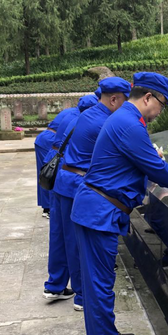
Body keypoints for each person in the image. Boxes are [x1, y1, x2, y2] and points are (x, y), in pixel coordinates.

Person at [71, 72, 168, 335]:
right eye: (162, 104)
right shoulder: (129, 124)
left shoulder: (125, 118)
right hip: (99, 212)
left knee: (100, 279)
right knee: (99, 282)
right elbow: (157, 170)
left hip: (99, 209)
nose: (161, 111)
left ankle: (105, 333)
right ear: (148, 97)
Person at [48, 77, 131, 311]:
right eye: (125, 101)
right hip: (76, 185)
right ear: (114, 99)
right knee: (78, 244)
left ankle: (59, 286)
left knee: (62, 238)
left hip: (64, 181)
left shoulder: (88, 115)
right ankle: (83, 296)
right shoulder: (105, 122)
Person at [42, 93, 99, 301]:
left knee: (58, 234)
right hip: (72, 182)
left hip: (60, 179)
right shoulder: (89, 124)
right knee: (75, 239)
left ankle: (55, 285)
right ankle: (82, 295)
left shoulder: (71, 118)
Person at [34, 106, 78, 218]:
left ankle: (47, 207)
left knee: (46, 173)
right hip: (49, 140)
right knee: (49, 173)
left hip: (46, 138)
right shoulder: (78, 114)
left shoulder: (73, 111)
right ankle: (48, 207)